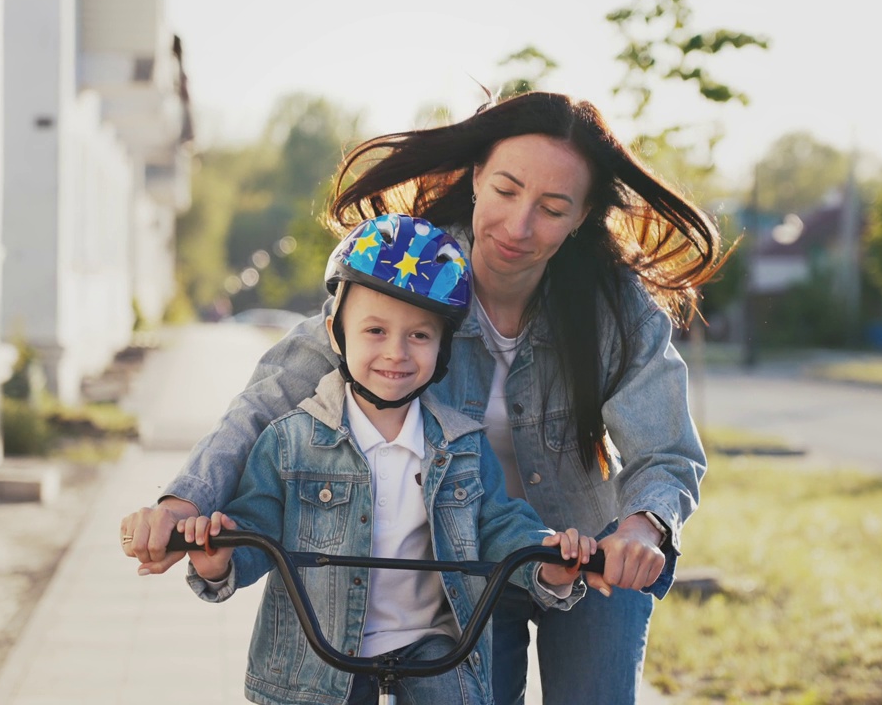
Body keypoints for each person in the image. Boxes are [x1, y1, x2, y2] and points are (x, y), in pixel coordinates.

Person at [121, 91, 723, 705]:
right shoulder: (410, 267)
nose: (518, 226)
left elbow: (666, 450)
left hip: (589, 553)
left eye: (551, 207)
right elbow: (269, 399)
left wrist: (643, 530)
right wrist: (182, 503)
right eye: (507, 190)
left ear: (581, 215)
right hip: (466, 561)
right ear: (478, 178)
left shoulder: (615, 306)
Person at [170, 213, 596, 705]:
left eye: (419, 336)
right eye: (374, 331)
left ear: (443, 348)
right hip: (317, 660)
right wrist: (219, 560)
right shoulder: (290, 442)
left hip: (435, 651)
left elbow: (500, 525)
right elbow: (256, 524)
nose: (396, 352)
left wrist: (548, 560)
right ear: (337, 334)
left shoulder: (463, 444)